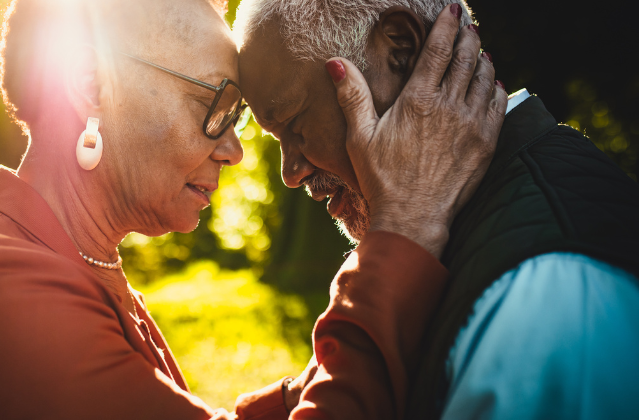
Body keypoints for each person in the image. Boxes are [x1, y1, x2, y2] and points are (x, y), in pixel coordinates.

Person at [0, 0, 503, 419]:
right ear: (92, 83)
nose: (235, 152)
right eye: (218, 105)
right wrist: (403, 232)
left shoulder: (65, 262)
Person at [235, 0, 639, 419]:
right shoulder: (455, 242)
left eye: (295, 124)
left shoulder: (549, 298)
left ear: (401, 50)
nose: (291, 173)